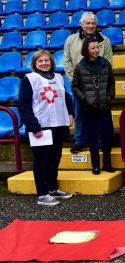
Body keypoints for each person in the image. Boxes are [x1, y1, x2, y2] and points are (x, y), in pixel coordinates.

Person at [18, 50, 74, 206]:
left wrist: (70, 113)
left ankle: (53, 188)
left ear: (51, 62)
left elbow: (66, 98)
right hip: (40, 127)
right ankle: (42, 194)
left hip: (58, 125)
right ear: (35, 64)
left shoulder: (59, 78)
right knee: (42, 160)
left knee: (54, 159)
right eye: (40, 61)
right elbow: (23, 105)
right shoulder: (30, 79)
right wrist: (33, 125)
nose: (44, 63)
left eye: (46, 60)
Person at [63, 11, 113, 154]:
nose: (90, 26)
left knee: (98, 116)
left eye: (93, 23)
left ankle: (98, 143)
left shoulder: (105, 41)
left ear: (96, 24)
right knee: (79, 114)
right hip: (78, 87)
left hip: (98, 86)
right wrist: (77, 83)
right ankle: (80, 141)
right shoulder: (70, 40)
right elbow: (67, 62)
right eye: (87, 23)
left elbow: (108, 63)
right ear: (81, 24)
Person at [71, 37, 115, 175]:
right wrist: (85, 99)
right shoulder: (80, 66)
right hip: (88, 109)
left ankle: (107, 164)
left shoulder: (105, 64)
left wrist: (109, 97)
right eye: (93, 48)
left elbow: (111, 83)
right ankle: (95, 165)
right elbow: (75, 87)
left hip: (104, 107)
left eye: (98, 47)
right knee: (92, 138)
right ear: (86, 49)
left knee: (107, 136)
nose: (96, 50)